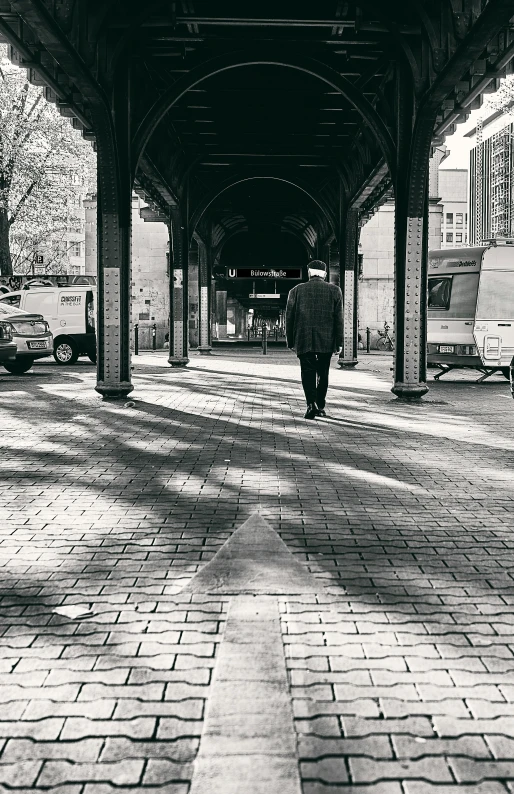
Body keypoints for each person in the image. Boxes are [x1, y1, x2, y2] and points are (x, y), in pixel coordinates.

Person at [285, 259, 343, 419]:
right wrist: (339, 342)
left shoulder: (296, 290)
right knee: (323, 373)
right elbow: (339, 319)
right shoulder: (335, 290)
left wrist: (290, 341)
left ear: (309, 272)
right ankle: (321, 405)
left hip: (304, 339)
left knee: (307, 372)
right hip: (326, 339)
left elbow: (289, 319)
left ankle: (311, 404)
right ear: (325, 274)